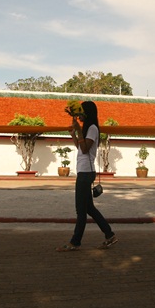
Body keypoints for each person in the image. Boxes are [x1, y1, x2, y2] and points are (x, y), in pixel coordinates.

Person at [56, 101, 118, 252]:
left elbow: (84, 149)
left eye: (81, 112)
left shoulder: (92, 128)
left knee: (81, 210)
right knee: (89, 208)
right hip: (83, 172)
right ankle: (109, 235)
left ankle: (75, 242)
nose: (79, 115)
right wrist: (74, 133)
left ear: (87, 113)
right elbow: (79, 147)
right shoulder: (88, 128)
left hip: (86, 173)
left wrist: (78, 130)